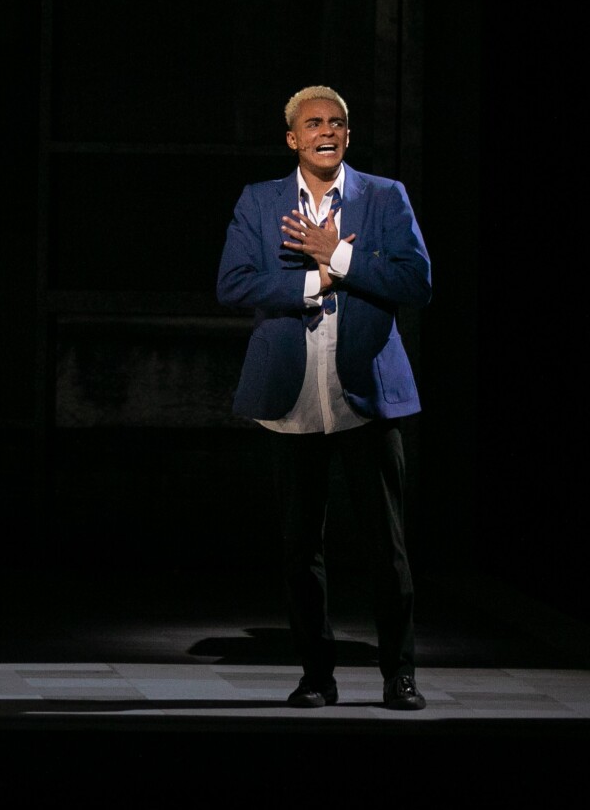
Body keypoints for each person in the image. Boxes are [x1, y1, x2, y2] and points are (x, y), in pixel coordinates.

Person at [214, 85, 433, 711]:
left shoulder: (384, 198)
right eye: (313, 123)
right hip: (292, 397)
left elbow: (416, 282)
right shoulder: (261, 202)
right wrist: (320, 277)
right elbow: (232, 283)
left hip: (365, 396)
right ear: (293, 138)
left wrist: (335, 250)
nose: (326, 131)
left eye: (337, 122)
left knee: (386, 548)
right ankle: (317, 676)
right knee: (299, 548)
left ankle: (400, 674)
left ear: (347, 136)